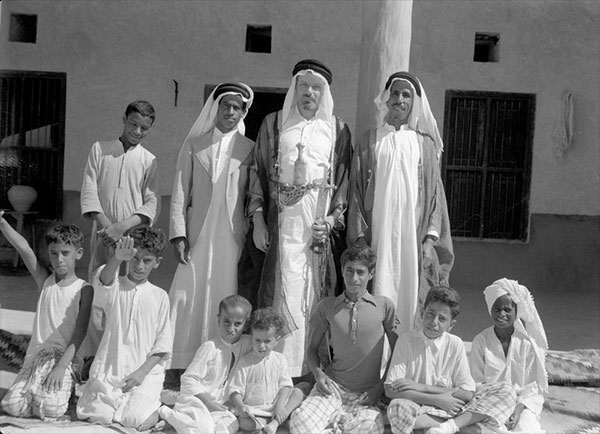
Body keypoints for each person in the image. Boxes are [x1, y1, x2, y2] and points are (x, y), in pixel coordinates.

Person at [247, 59, 352, 377]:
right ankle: (275, 367)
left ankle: (309, 370)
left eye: (316, 87)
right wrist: (258, 220)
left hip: (316, 233)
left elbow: (343, 183)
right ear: (294, 88)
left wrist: (332, 222)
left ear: (325, 93)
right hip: (282, 230)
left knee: (312, 295)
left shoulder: (338, 130)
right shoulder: (274, 124)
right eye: (303, 85)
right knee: (282, 291)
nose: (309, 92)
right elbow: (257, 173)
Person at [347, 71, 453, 334]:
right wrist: (360, 238)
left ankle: (406, 355)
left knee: (412, 294)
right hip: (377, 238)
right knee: (377, 288)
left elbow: (436, 197)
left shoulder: (425, 145)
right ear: (386, 98)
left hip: (412, 241)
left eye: (406, 94)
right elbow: (356, 193)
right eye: (395, 93)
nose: (399, 99)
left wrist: (430, 240)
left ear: (414, 102)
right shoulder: (368, 141)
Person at [168, 83, 255, 369]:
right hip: (198, 231)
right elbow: (181, 189)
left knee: (223, 289)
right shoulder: (195, 145)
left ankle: (218, 362)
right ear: (216, 107)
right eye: (225, 105)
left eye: (236, 107)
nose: (230, 111)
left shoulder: (250, 149)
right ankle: (178, 359)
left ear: (244, 112)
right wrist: (178, 234)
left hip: (231, 235)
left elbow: (253, 194)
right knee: (187, 291)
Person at [289, 245, 398, 434]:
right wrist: (318, 375)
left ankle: (335, 426)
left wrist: (379, 388)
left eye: (360, 272)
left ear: (371, 274)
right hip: (332, 388)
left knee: (369, 429)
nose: (354, 278)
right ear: (342, 271)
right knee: (299, 423)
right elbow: (311, 349)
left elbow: (398, 353)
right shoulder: (328, 306)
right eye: (349, 271)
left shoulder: (384, 306)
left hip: (366, 394)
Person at [80, 100, 160, 355]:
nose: (137, 131)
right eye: (133, 124)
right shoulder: (100, 149)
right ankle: (92, 353)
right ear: (124, 118)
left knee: (127, 291)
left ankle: (120, 352)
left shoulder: (149, 160)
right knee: (99, 289)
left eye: (144, 128)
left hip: (131, 240)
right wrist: (106, 226)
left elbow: (151, 201)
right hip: (102, 235)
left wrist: (123, 226)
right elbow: (90, 187)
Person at [385, 286, 516, 434]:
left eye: (442, 319)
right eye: (430, 314)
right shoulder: (406, 341)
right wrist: (438, 399)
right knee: (397, 407)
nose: (434, 322)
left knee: (506, 390)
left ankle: (448, 427)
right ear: (422, 313)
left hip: (452, 408)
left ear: (451, 325)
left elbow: (467, 393)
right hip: (419, 406)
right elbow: (390, 390)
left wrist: (420, 387)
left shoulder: (455, 343)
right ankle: (462, 426)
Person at [76, 227, 172, 431]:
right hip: (112, 365)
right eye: (135, 258)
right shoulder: (116, 285)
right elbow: (103, 282)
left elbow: (163, 345)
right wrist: (117, 258)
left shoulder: (160, 296)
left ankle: (155, 409)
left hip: (145, 371)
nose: (139, 265)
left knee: (135, 420)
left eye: (147, 261)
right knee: (99, 416)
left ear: (157, 263)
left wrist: (141, 373)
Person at [0, 213, 93, 419]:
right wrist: (3, 223)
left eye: (65, 253)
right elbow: (25, 250)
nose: (59, 259)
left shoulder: (84, 290)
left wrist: (61, 367)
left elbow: (79, 334)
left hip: (65, 359)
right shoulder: (46, 281)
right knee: (13, 406)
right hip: (37, 359)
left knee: (50, 409)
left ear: (78, 253)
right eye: (54, 253)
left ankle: (67, 394)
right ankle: (38, 390)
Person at [159, 295, 253, 434]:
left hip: (221, 408)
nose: (231, 328)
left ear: (246, 324)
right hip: (197, 402)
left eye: (237, 324)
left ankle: (180, 424)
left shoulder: (247, 344)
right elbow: (188, 379)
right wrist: (208, 403)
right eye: (226, 322)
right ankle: (168, 414)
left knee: (229, 427)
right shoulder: (210, 347)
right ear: (218, 320)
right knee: (203, 429)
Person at [470, 278, 548, 433]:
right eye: (496, 309)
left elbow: (532, 387)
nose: (501, 314)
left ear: (516, 311)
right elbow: (477, 381)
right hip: (490, 401)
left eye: (507, 309)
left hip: (521, 404)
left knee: (527, 429)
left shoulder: (526, 343)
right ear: (490, 310)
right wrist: (500, 404)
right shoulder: (480, 341)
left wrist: (517, 410)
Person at [228, 307, 305, 434]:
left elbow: (285, 386)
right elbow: (235, 390)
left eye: (267, 341)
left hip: (277, 406)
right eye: (257, 340)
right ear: (251, 337)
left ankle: (275, 423)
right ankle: (276, 424)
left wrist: (279, 406)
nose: (261, 346)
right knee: (245, 423)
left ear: (276, 341)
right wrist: (241, 406)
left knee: (298, 392)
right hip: (255, 411)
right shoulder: (245, 362)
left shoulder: (279, 359)